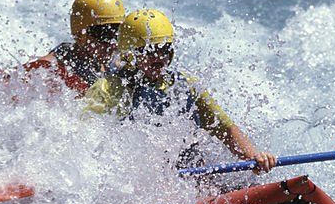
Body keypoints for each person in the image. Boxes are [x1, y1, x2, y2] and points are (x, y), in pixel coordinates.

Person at [83, 9, 277, 173]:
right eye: (150, 51)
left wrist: (254, 157)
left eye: (164, 49)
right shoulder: (108, 89)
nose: (159, 56)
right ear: (130, 53)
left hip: (191, 176)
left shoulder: (186, 86)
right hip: (140, 182)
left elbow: (225, 129)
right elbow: (86, 141)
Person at [0, 0, 125, 95]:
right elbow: (0, 83)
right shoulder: (51, 69)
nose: (113, 43)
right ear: (81, 34)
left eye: (118, 33)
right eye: (104, 34)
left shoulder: (113, 64)